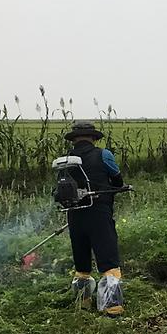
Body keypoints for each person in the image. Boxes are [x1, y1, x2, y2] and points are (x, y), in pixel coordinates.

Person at [63, 121, 126, 316]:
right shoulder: (103, 155)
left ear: (74, 139)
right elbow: (117, 180)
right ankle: (112, 307)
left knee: (82, 262)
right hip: (98, 213)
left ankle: (83, 303)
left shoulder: (66, 160)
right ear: (94, 138)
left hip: (74, 214)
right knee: (108, 259)